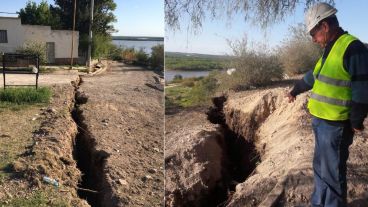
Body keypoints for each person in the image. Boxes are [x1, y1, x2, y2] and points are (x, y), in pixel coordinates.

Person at [286, 2, 368, 207]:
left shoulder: (353, 48)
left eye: (313, 33)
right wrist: (294, 91)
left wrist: (356, 121)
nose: (313, 39)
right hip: (321, 122)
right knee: (320, 168)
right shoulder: (329, 49)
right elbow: (313, 77)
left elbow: (363, 88)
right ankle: (318, 203)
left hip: (336, 125)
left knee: (332, 173)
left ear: (325, 26)